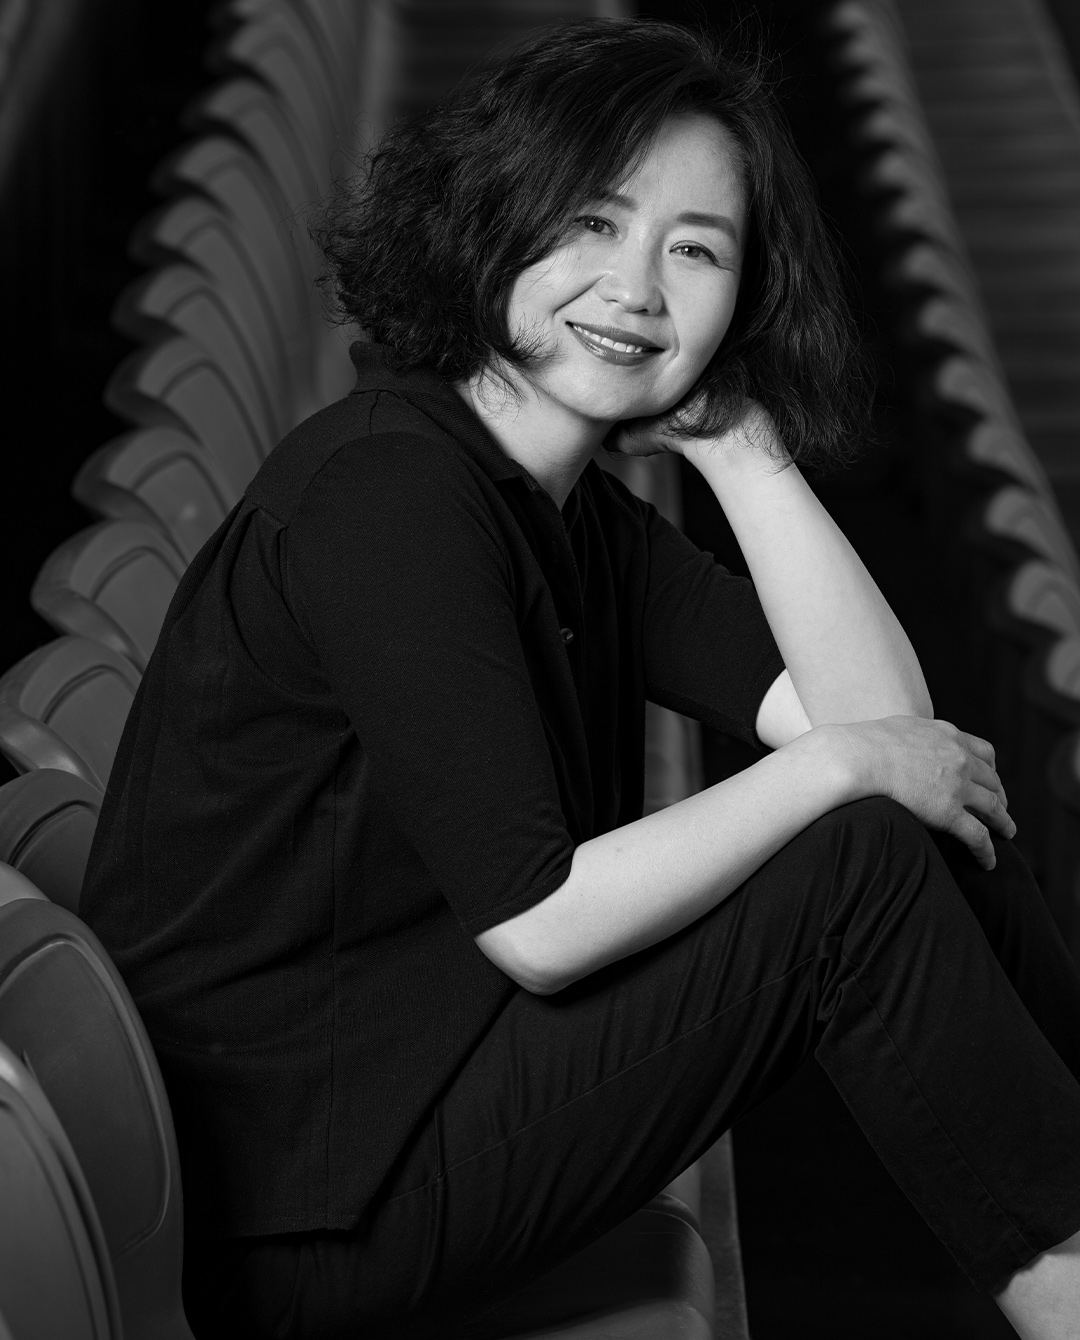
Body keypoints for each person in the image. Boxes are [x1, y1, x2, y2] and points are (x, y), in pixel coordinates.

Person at [81, 17, 1080, 1340]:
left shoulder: (561, 506)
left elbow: (889, 729)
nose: (638, 287)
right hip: (306, 1208)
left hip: (422, 1092)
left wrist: (743, 445)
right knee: (857, 863)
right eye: (594, 221)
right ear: (494, 220)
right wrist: (844, 767)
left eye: (698, 249)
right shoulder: (388, 494)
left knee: (926, 806)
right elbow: (540, 922)